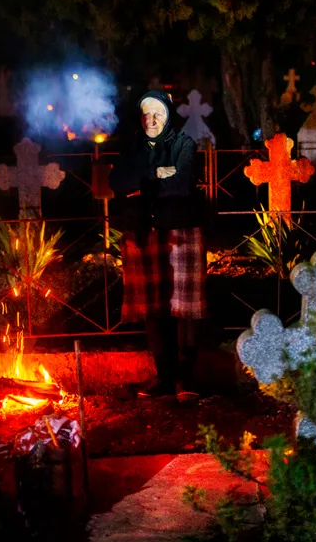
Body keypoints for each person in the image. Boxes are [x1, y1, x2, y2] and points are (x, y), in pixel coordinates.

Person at [109, 90, 208, 399]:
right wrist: (156, 174)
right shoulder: (134, 146)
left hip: (182, 230)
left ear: (168, 116)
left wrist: (144, 179)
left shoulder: (183, 144)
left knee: (185, 307)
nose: (152, 120)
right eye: (146, 114)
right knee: (153, 308)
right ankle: (163, 378)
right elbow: (117, 182)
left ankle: (186, 380)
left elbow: (181, 183)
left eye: (158, 114)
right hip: (144, 232)